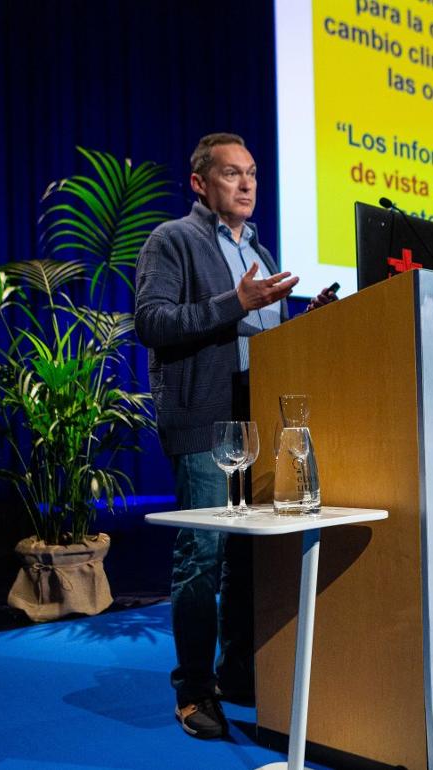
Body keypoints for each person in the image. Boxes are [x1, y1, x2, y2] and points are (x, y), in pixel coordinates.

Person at [134, 133, 335, 740]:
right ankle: (194, 691)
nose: (247, 184)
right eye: (231, 174)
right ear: (200, 183)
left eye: (251, 174)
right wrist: (234, 300)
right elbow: (152, 322)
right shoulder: (174, 240)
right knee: (202, 555)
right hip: (204, 421)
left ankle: (238, 673)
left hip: (257, 423)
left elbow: (261, 337)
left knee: (247, 554)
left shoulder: (262, 251)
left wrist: (306, 319)